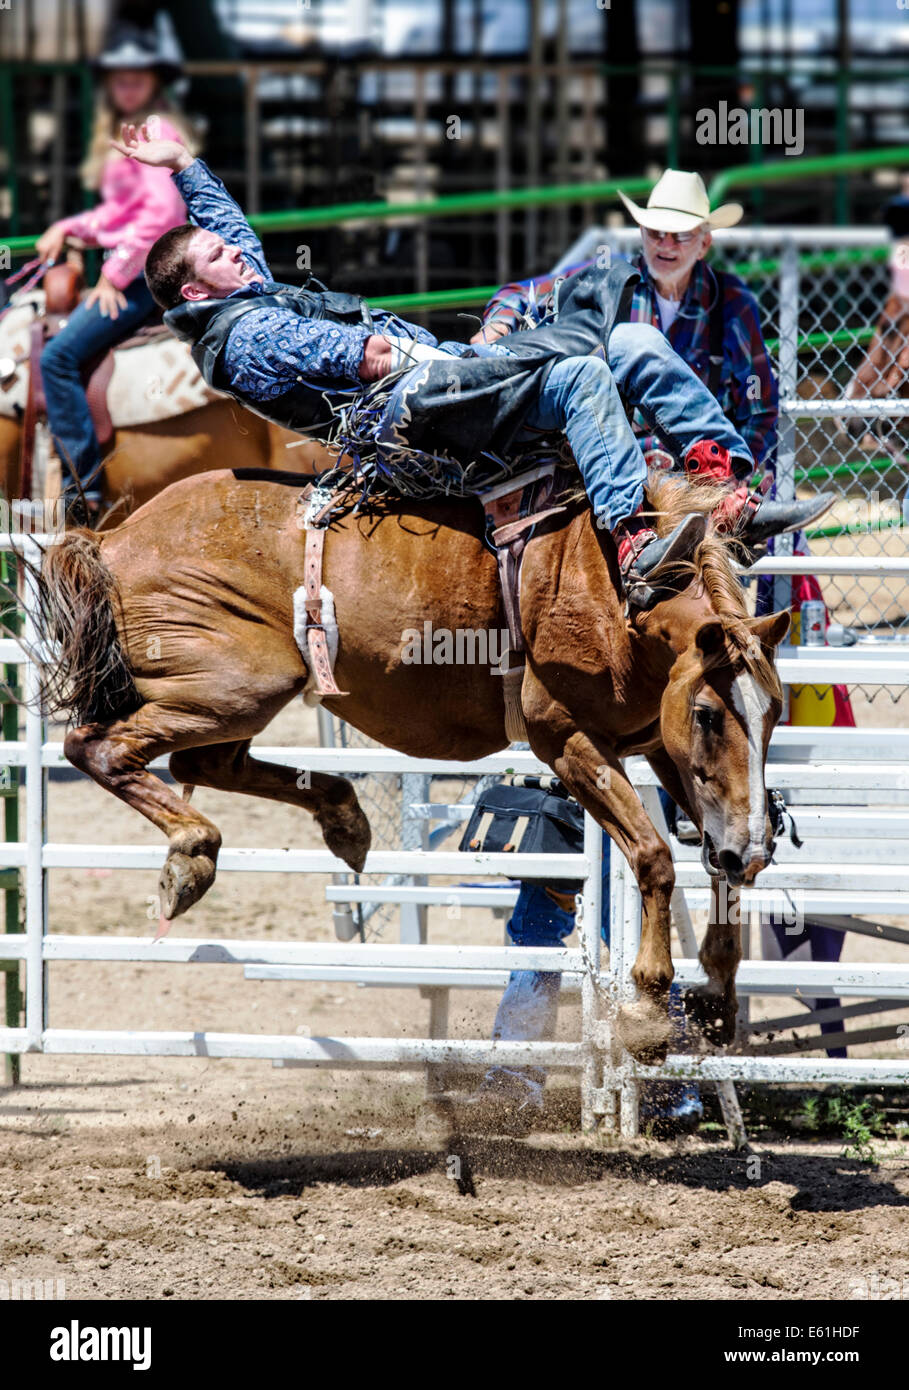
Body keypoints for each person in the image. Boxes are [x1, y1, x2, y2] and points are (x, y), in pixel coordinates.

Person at [126, 124, 833, 602]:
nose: (238, 254)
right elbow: (366, 354)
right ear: (195, 290)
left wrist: (185, 165)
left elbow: (230, 229)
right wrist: (469, 360)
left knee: (634, 346)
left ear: (702, 241)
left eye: (679, 233)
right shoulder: (246, 335)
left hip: (424, 381)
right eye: (220, 257)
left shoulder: (237, 293)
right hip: (400, 412)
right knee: (583, 373)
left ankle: (727, 489)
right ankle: (630, 540)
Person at [34, 24, 196, 522]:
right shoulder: (136, 128)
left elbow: (157, 219)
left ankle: (84, 489)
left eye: (136, 78)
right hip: (138, 267)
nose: (127, 86)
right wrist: (69, 225)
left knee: (57, 359)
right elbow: (117, 215)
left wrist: (112, 276)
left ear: (152, 80)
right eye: (119, 78)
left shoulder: (157, 130)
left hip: (142, 276)